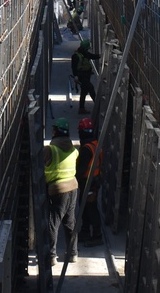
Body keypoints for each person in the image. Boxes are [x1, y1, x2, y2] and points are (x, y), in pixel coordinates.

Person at [44, 117, 79, 266]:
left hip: (57, 189)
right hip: (73, 188)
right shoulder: (74, 150)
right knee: (70, 222)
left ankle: (51, 256)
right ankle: (73, 254)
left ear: (56, 131)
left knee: (53, 223)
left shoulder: (50, 150)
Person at [76, 117, 103, 246]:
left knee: (90, 208)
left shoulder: (86, 149)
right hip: (94, 181)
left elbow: (81, 169)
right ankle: (86, 231)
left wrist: (75, 178)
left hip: (88, 183)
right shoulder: (95, 143)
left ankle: (97, 235)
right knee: (85, 206)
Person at [71, 39, 101, 114]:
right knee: (90, 88)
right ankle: (98, 106)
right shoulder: (76, 56)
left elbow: (92, 56)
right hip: (81, 76)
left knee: (84, 92)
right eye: (87, 48)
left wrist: (101, 55)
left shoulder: (84, 53)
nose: (87, 50)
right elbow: (73, 67)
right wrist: (75, 76)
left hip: (86, 75)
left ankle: (81, 108)